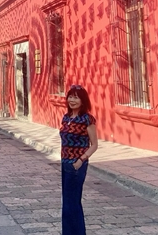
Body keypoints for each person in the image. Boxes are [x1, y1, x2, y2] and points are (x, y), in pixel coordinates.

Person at [60, 85, 98, 235]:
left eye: (76, 97)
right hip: (65, 163)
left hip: (77, 165)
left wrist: (81, 160)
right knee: (66, 203)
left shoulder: (87, 119)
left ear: (83, 100)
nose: (72, 100)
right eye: (70, 96)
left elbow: (94, 145)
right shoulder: (66, 117)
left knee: (73, 203)